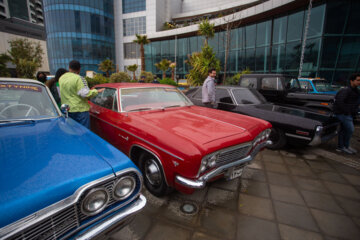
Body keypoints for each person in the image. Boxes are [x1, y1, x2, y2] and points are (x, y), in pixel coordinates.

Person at [59, 60, 104, 129]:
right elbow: (85, 94)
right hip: (80, 110)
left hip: (67, 110)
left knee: (70, 130)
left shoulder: (62, 78)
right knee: (83, 132)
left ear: (69, 68)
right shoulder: (79, 78)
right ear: (79, 69)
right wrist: (96, 91)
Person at [333, 73, 360, 154]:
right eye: (358, 80)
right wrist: (347, 112)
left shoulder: (356, 91)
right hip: (344, 114)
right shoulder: (346, 90)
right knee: (350, 130)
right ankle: (343, 146)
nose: (359, 82)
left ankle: (344, 146)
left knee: (344, 130)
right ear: (352, 81)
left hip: (349, 114)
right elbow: (340, 102)